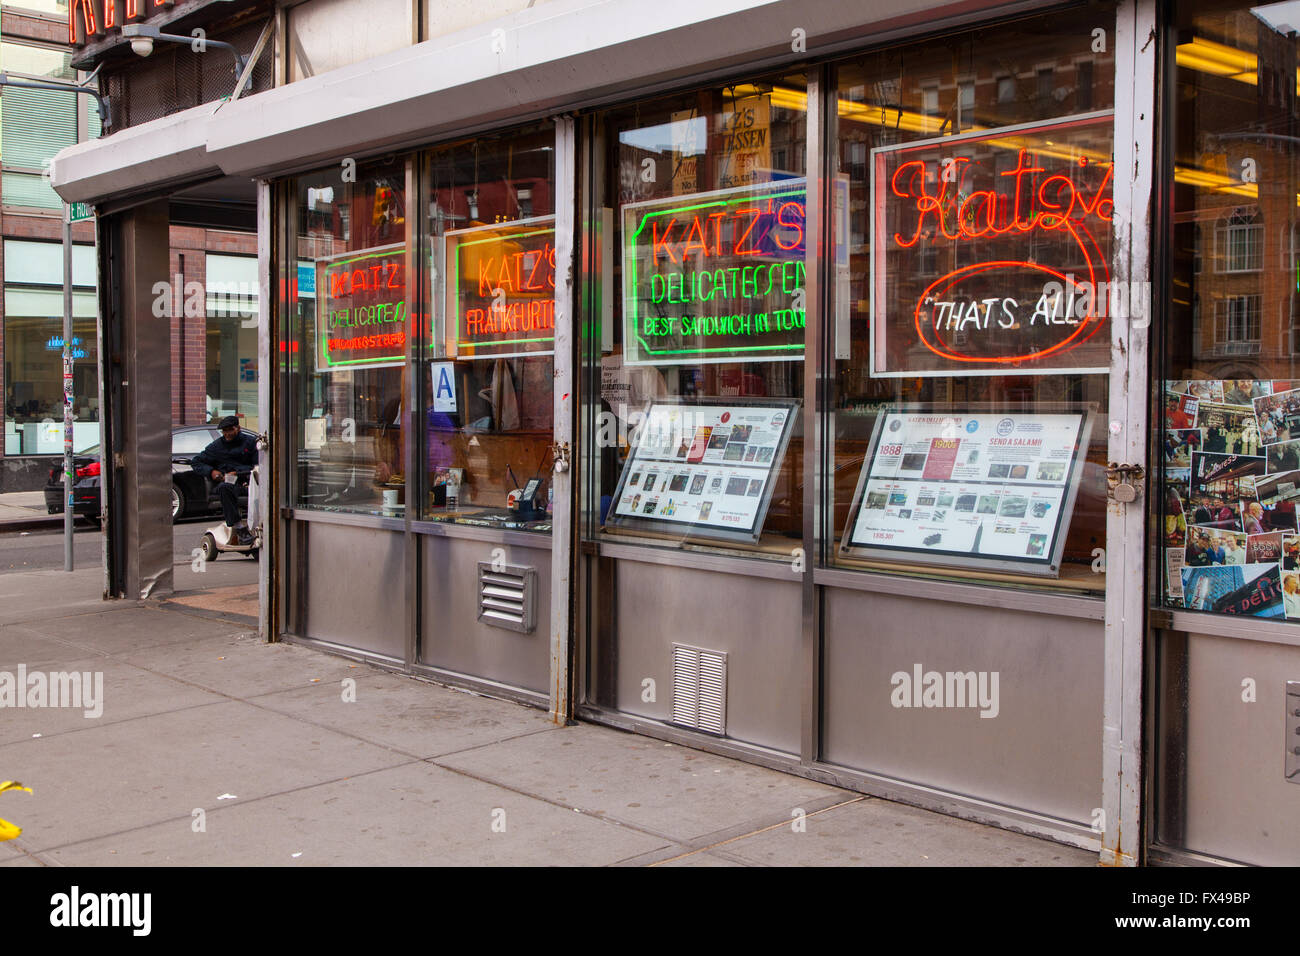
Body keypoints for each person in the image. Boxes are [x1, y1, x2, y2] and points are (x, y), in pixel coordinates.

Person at [191, 416, 258, 545]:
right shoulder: (217, 446)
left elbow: (259, 465)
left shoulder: (250, 443)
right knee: (224, 487)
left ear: (238, 428)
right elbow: (196, 462)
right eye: (224, 431)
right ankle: (239, 528)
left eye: (230, 430)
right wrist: (211, 472)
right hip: (228, 484)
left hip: (249, 481)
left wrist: (238, 472)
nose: (227, 434)